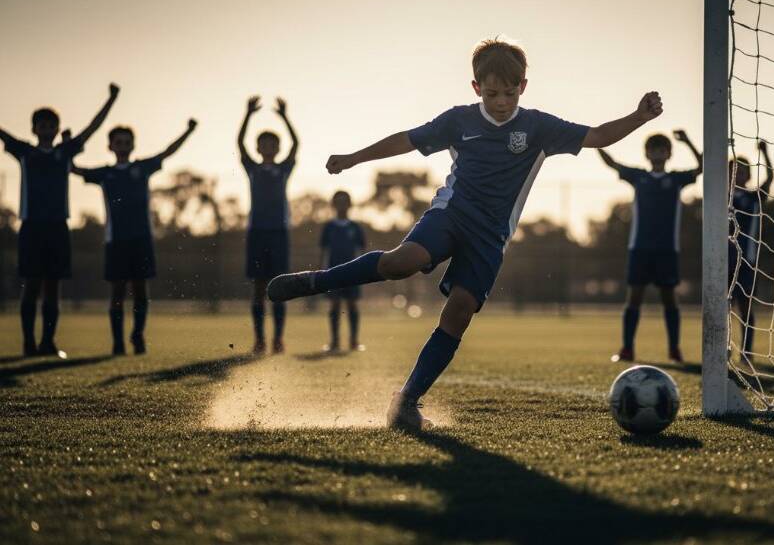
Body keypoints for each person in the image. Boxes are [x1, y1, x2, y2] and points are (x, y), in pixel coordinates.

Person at [268, 38, 663, 430]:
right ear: (476, 88)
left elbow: (596, 136)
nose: (502, 101)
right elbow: (406, 140)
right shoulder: (459, 121)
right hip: (451, 214)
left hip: (491, 236)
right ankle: (316, 281)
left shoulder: (539, 127)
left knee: (458, 313)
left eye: (510, 92)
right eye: (492, 93)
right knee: (401, 262)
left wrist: (638, 117)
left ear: (523, 86)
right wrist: (355, 157)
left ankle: (406, 401)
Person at [0, 84, 119, 357]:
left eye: (51, 124)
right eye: (41, 124)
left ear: (57, 128)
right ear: (34, 129)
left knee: (53, 287)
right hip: (31, 226)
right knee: (31, 285)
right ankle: (28, 343)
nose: (46, 128)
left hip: (57, 227)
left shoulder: (65, 152)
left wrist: (111, 99)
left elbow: (93, 127)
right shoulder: (24, 152)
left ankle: (48, 342)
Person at [73, 119, 198, 355]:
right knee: (117, 292)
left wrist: (188, 131)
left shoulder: (142, 167)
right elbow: (73, 168)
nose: (122, 145)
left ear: (133, 145)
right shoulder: (105, 173)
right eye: (118, 142)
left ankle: (138, 336)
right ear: (110, 146)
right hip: (116, 241)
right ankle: (117, 342)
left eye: (127, 142)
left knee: (140, 291)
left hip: (141, 240)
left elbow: (168, 151)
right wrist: (68, 144)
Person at [597, 129, 702, 364]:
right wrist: (594, 142)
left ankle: (674, 349)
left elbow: (701, 167)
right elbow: (612, 163)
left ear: (668, 154)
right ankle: (627, 349)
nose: (657, 153)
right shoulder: (638, 176)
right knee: (634, 297)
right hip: (640, 248)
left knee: (669, 298)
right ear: (646, 153)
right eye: (653, 149)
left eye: (661, 149)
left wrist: (688, 142)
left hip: (667, 250)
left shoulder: (675, 179)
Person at [238, 96, 298, 354]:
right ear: (258, 148)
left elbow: (297, 143)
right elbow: (239, 143)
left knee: (279, 287)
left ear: (277, 147)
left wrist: (284, 116)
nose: (268, 147)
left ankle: (278, 339)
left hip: (279, 233)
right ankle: (259, 339)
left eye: (272, 143)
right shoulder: (252, 168)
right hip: (257, 233)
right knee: (258, 288)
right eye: (263, 143)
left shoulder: (284, 169)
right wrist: (247, 115)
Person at [729, 140, 774, 364]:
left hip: (746, 259)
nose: (738, 175)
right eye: (734, 171)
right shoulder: (720, 197)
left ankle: (746, 352)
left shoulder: (753, 197)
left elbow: (771, 178)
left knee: (745, 306)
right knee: (721, 307)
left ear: (748, 175)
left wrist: (765, 154)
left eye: (742, 171)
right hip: (721, 261)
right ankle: (723, 347)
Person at [320, 190, 367, 352]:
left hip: (352, 273)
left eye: (344, 202)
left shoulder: (355, 227)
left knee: (352, 305)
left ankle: (354, 341)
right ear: (333, 205)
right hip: (333, 273)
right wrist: (323, 274)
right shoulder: (328, 227)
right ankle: (334, 342)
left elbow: (362, 251)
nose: (341, 205)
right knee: (334, 305)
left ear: (349, 204)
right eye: (338, 202)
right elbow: (324, 252)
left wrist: (361, 272)